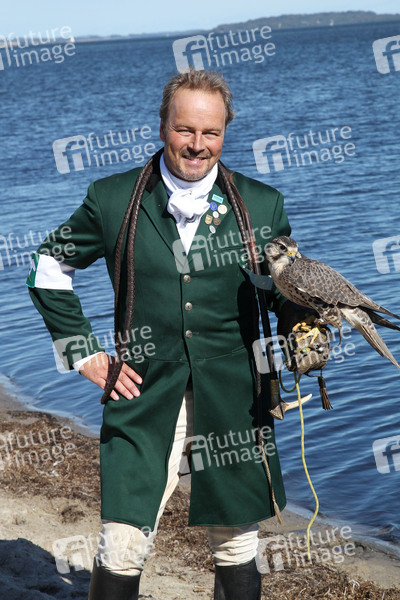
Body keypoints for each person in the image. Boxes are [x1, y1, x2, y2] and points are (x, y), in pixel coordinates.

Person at [27, 69, 296, 600]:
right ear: (162, 127)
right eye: (184, 129)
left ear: (225, 133)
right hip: (142, 394)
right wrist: (84, 353)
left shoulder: (262, 205)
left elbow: (282, 290)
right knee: (122, 542)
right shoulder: (112, 199)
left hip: (234, 398)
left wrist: (304, 325)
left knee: (236, 543)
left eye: (211, 132)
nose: (197, 145)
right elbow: (47, 268)